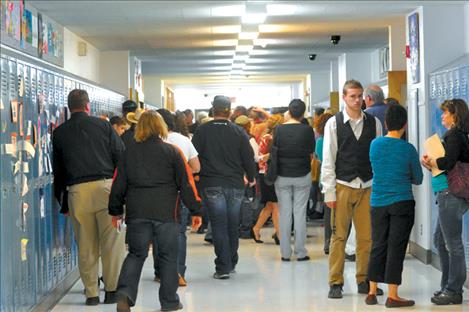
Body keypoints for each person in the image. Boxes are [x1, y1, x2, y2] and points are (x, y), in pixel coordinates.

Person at [109, 110, 201, 312]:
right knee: (168, 256)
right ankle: (169, 302)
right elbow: (185, 185)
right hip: (167, 213)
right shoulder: (172, 152)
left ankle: (124, 295)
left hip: (137, 212)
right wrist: (196, 211)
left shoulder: (128, 153)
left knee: (136, 254)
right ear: (161, 128)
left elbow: (119, 185)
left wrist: (115, 211)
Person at [52, 89, 125, 306]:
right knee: (112, 242)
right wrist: (120, 192)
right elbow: (121, 156)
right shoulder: (103, 126)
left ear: (68, 107)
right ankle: (111, 291)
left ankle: (91, 294)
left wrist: (63, 202)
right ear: (88, 106)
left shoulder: (60, 132)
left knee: (85, 244)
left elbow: (59, 171)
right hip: (106, 190)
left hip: (77, 192)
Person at [321, 79, 383, 299]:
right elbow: (328, 158)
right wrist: (329, 191)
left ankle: (364, 279)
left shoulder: (374, 123)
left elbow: (378, 156)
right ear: (345, 98)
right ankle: (335, 282)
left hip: (367, 185)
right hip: (342, 185)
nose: (357, 100)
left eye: (359, 96)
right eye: (352, 96)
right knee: (339, 236)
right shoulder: (333, 123)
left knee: (366, 237)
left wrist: (379, 185)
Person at [192, 95, 256, 279]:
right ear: (229, 110)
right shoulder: (238, 131)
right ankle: (232, 261)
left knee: (219, 224)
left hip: (212, 184)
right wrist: (251, 177)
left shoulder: (202, 131)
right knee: (232, 224)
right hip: (235, 184)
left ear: (213, 109)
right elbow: (248, 157)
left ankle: (223, 267)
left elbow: (194, 157)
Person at [366, 104, 423, 308]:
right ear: (405, 125)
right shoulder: (408, 149)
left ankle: (372, 292)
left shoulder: (375, 144)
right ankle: (393, 295)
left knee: (378, 244)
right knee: (396, 247)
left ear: (386, 123)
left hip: (378, 202)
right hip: (401, 203)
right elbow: (418, 179)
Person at [421, 99, 469, 305]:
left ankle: (453, 289)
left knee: (453, 244)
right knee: (441, 240)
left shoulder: (454, 136)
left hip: (451, 194)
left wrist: (431, 161)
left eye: (445, 113)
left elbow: (448, 162)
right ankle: (448, 286)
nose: (442, 116)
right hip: (450, 193)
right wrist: (431, 163)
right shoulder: (460, 136)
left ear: (455, 115)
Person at [155, 108, 201, 286]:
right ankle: (178, 271)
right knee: (179, 233)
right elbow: (196, 167)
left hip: (157, 193)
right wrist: (182, 173)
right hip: (179, 193)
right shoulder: (183, 140)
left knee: (159, 232)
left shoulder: (152, 141)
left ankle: (160, 271)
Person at [274, 99, 315, 261]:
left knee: (284, 214)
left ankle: (285, 253)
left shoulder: (278, 130)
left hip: (282, 175)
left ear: (289, 112)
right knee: (299, 213)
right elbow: (311, 153)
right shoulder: (307, 130)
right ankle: (300, 252)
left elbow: (275, 150)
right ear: (303, 113)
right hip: (302, 174)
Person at [252, 114, 284, 244]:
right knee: (275, 204)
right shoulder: (267, 138)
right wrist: (274, 154)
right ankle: (280, 235)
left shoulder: (276, 138)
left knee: (270, 206)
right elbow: (260, 158)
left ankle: (256, 229)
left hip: (273, 174)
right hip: (267, 175)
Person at [234, 115, 260, 239]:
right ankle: (246, 229)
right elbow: (255, 157)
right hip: (247, 173)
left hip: (235, 173)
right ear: (248, 126)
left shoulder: (231, 137)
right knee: (247, 201)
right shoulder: (250, 139)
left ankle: (237, 227)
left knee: (237, 201)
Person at [313, 112, 334, 254]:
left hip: (324, 179)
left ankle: (328, 242)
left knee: (329, 212)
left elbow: (319, 159)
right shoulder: (337, 138)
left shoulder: (320, 141)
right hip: (339, 179)